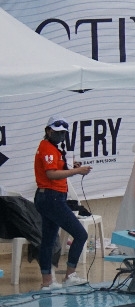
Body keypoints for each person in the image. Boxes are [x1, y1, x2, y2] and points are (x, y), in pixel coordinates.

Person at [33, 117, 91, 290]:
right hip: (52, 198)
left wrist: (72, 166)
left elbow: (57, 169)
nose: (61, 136)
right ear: (48, 131)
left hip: (49, 198)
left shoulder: (51, 148)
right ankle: (69, 276)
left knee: (49, 240)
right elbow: (51, 174)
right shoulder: (47, 148)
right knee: (81, 234)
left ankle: (47, 282)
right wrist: (77, 171)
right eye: (57, 132)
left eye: (63, 133)